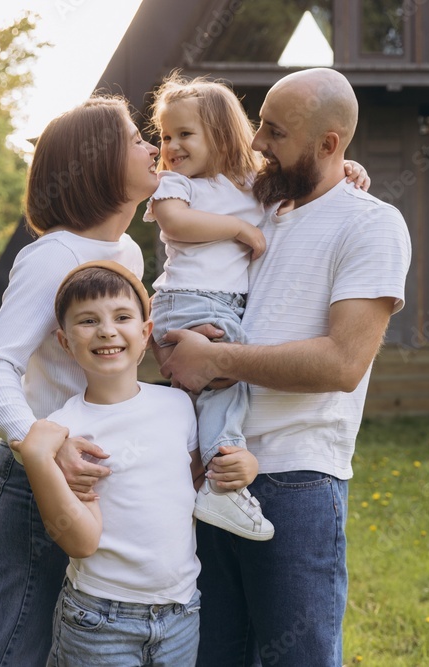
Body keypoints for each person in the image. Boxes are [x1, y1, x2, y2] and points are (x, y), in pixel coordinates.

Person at [160, 68, 413, 667]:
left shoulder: (370, 224)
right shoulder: (255, 205)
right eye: (261, 125)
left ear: (329, 144)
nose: (257, 143)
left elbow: (344, 362)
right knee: (212, 655)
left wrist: (214, 358)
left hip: (294, 479)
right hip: (208, 471)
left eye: (276, 131)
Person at [0, 96, 163, 666]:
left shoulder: (124, 251)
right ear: (93, 161)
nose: (153, 147)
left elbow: (230, 181)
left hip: (91, 480)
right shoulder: (55, 256)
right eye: (133, 138)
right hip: (30, 482)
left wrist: (342, 172)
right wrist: (42, 447)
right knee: (10, 644)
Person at [15, 261, 259, 666]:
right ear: (64, 341)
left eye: (123, 317)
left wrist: (242, 466)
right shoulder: (66, 433)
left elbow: (199, 482)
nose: (107, 330)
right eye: (88, 320)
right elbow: (81, 541)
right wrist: (39, 457)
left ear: (146, 333)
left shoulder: (179, 405)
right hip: (100, 620)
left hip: (181, 613)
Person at [144, 73, 272, 541]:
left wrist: (350, 169)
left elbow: (306, 177)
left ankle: (197, 477)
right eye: (165, 136)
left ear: (220, 134)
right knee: (227, 378)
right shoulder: (174, 185)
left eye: (184, 134)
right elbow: (176, 224)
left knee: (214, 388)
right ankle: (224, 478)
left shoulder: (251, 180)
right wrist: (238, 231)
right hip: (187, 299)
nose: (171, 145)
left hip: (218, 302)